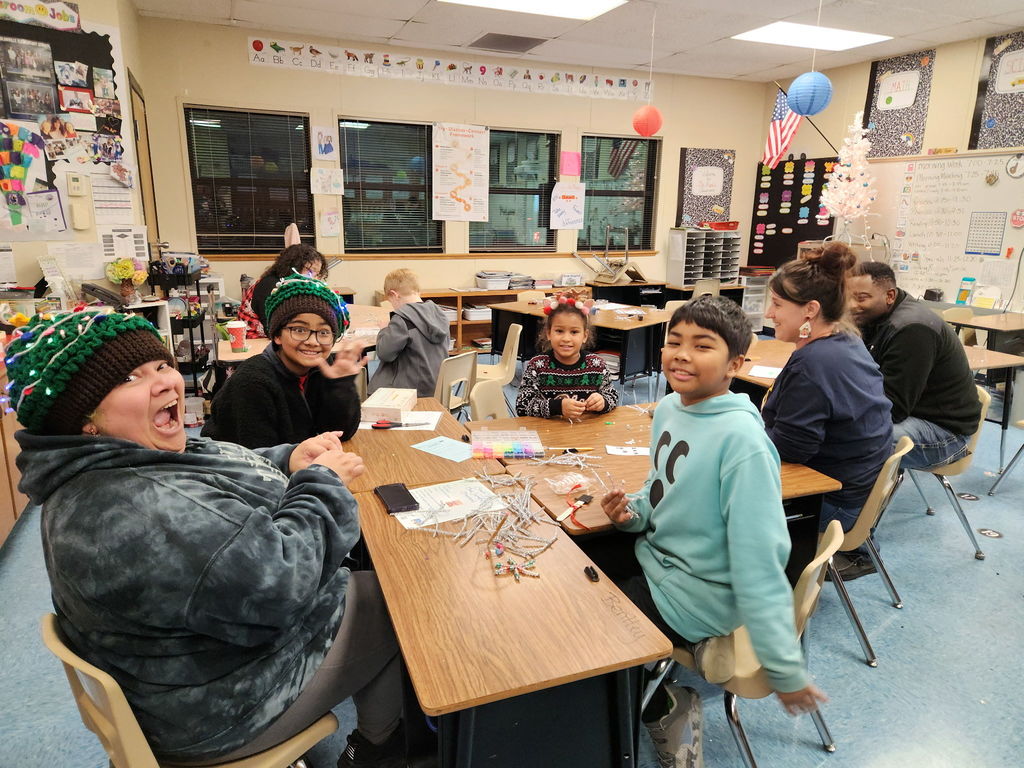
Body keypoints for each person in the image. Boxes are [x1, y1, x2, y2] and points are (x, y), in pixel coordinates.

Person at [8, 309, 404, 767]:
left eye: (160, 365)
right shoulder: (141, 506)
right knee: (396, 603)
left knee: (371, 585)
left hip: (176, 672)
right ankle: (379, 751)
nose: (164, 382)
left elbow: (216, 467)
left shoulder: (118, 459)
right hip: (213, 710)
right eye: (130, 379)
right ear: (84, 420)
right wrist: (320, 483)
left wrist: (289, 459)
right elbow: (282, 583)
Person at [600, 297, 827, 768]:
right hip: (660, 560)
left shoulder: (742, 442)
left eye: (702, 346)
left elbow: (760, 563)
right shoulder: (668, 409)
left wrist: (783, 667)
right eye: (674, 342)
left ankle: (666, 705)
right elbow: (659, 489)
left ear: (735, 364)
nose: (682, 354)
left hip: (698, 595)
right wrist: (633, 514)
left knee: (588, 640)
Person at [762, 243, 893, 579]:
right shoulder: (847, 340)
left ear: (810, 310)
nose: (768, 314)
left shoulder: (813, 362)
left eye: (777, 304)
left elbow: (792, 449)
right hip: (856, 492)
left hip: (831, 503)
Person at [204, 273, 364, 448]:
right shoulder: (252, 383)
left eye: (324, 332)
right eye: (299, 330)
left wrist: (340, 385)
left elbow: (342, 432)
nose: (312, 341)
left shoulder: (321, 368)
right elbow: (257, 460)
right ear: (277, 335)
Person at [849, 261, 980, 469]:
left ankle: (845, 502)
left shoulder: (912, 330)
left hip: (946, 433)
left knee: (849, 438)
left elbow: (894, 409)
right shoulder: (874, 318)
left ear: (889, 296)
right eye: (847, 297)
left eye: (861, 298)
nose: (851, 305)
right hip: (915, 414)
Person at [515, 295, 618, 418]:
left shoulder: (597, 365)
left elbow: (612, 396)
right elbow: (522, 406)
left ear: (585, 336)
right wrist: (557, 407)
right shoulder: (537, 366)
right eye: (559, 331)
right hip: (549, 434)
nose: (566, 339)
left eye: (574, 332)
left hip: (587, 433)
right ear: (549, 333)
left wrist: (603, 402)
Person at [368, 268, 450, 397]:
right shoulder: (439, 314)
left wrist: (384, 330)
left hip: (411, 390)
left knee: (374, 383)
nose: (393, 306)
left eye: (391, 302)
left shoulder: (401, 319)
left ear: (394, 295)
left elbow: (384, 354)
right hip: (436, 386)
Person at [237, 243, 328, 337]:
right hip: (255, 343)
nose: (314, 278)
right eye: (310, 271)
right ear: (294, 266)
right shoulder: (271, 286)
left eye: (317, 274)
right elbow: (271, 330)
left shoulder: (288, 285)